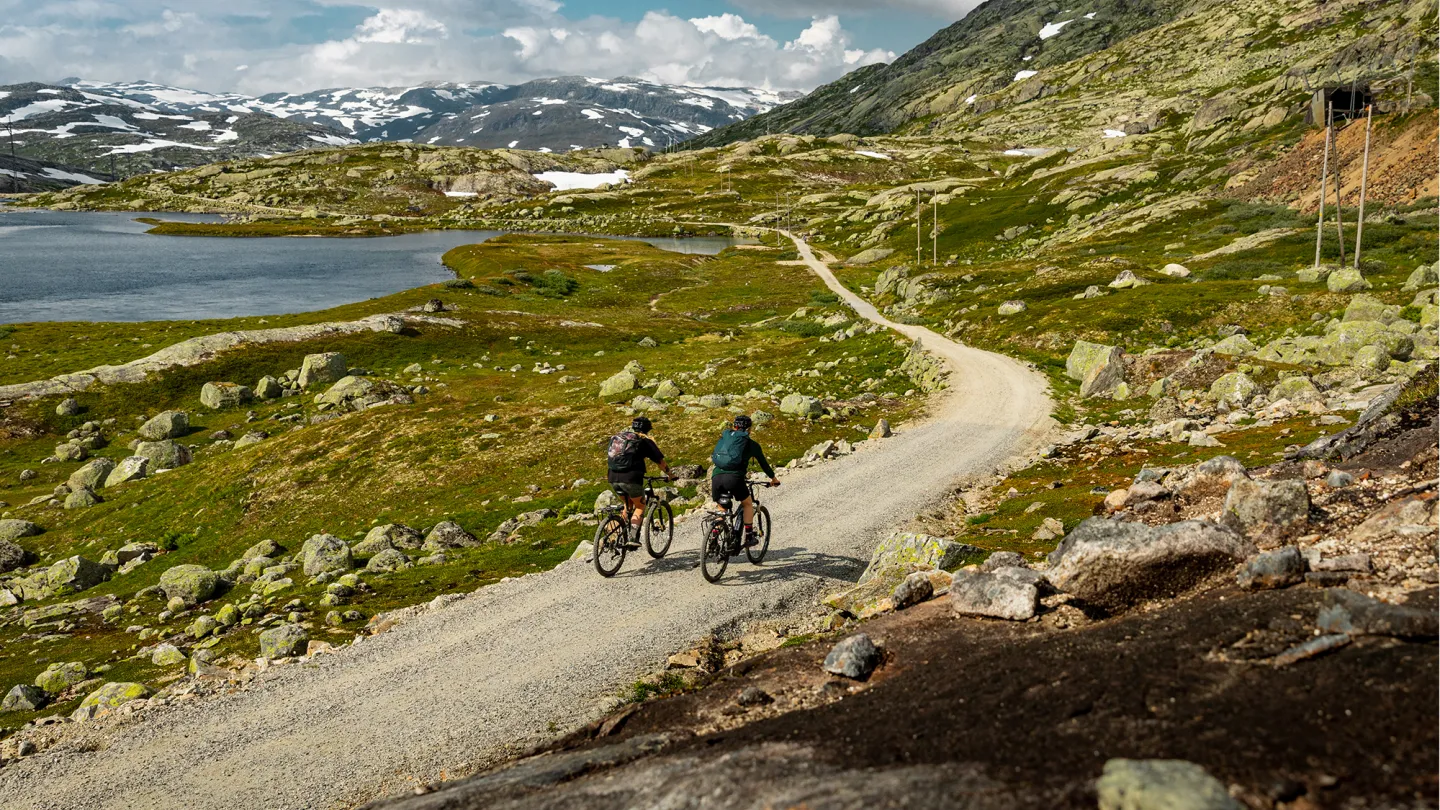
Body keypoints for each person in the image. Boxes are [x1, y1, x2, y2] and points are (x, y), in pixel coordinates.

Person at [709, 414, 780, 547]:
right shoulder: (751, 444)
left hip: (716, 477)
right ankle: (748, 536)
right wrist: (773, 479)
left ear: (734, 426)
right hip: (734, 478)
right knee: (747, 503)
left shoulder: (725, 438)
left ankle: (713, 536)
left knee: (722, 508)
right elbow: (764, 465)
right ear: (749, 429)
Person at [606, 417, 671, 539]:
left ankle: (613, 536)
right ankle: (633, 537)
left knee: (627, 505)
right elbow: (660, 461)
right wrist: (671, 475)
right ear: (647, 429)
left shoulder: (620, 438)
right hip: (631, 478)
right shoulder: (644, 440)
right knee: (640, 506)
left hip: (613, 477)